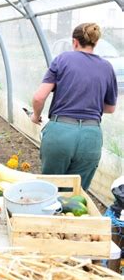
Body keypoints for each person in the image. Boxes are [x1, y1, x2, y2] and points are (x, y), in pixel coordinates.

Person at [31, 23, 118, 190]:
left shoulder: (63, 59)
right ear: (95, 43)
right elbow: (110, 108)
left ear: (74, 42)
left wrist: (35, 116)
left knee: (50, 190)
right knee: (76, 196)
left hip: (61, 132)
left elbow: (39, 97)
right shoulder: (107, 67)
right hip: (91, 136)